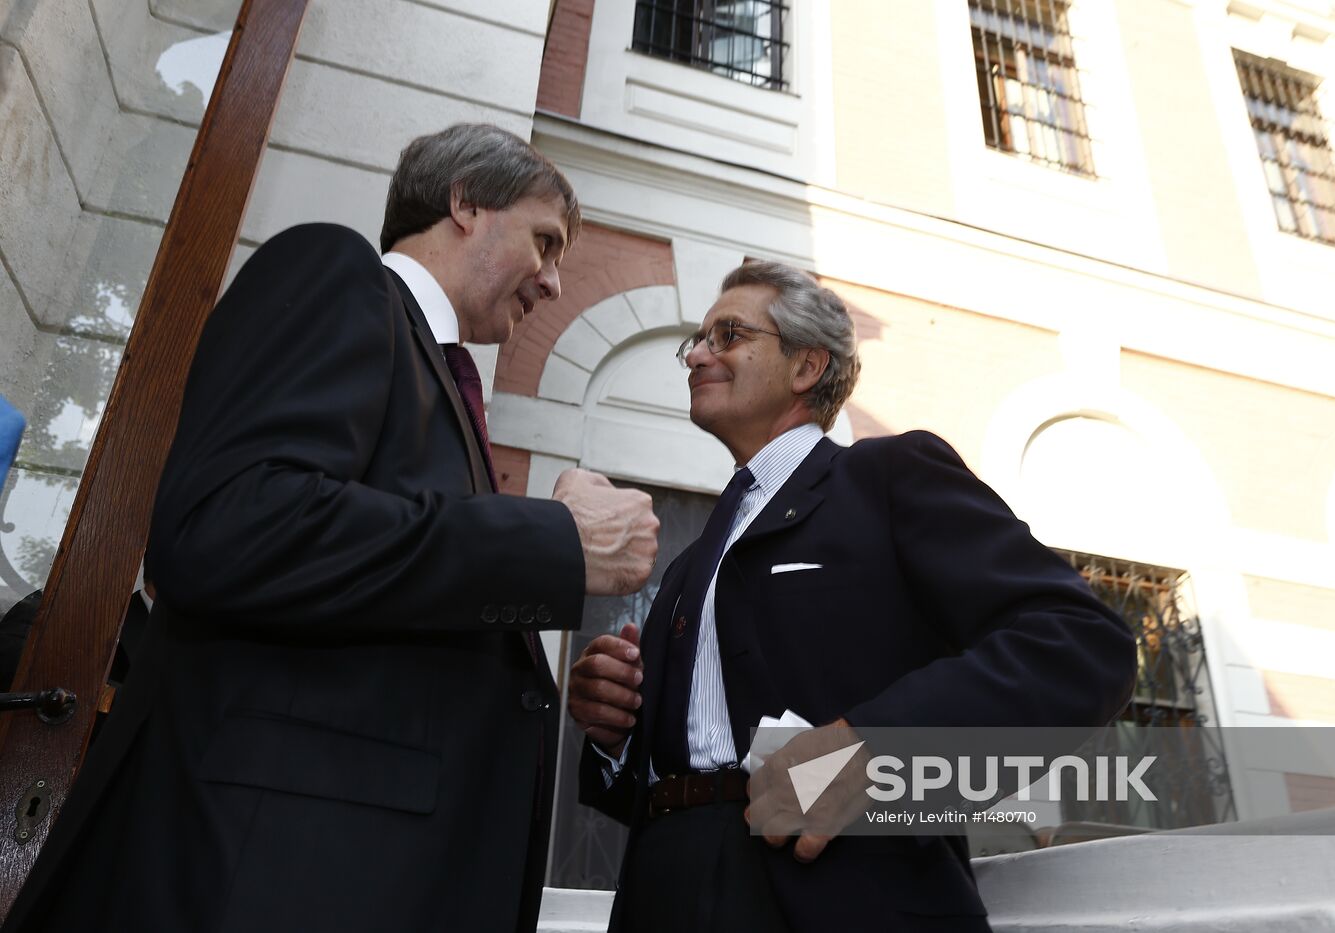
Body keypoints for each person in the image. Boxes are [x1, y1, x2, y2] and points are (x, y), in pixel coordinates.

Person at [4, 124, 658, 933]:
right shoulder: (339, 275)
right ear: (466, 203)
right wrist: (554, 540)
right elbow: (230, 524)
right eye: (546, 240)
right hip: (263, 878)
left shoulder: (445, 388)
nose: (555, 282)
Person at [567, 261, 1137, 932]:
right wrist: (614, 736)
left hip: (839, 892)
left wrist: (875, 750)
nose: (696, 353)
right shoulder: (693, 565)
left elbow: (1080, 644)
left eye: (727, 334)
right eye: (696, 339)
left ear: (807, 365)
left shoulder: (886, 478)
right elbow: (668, 776)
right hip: (661, 893)